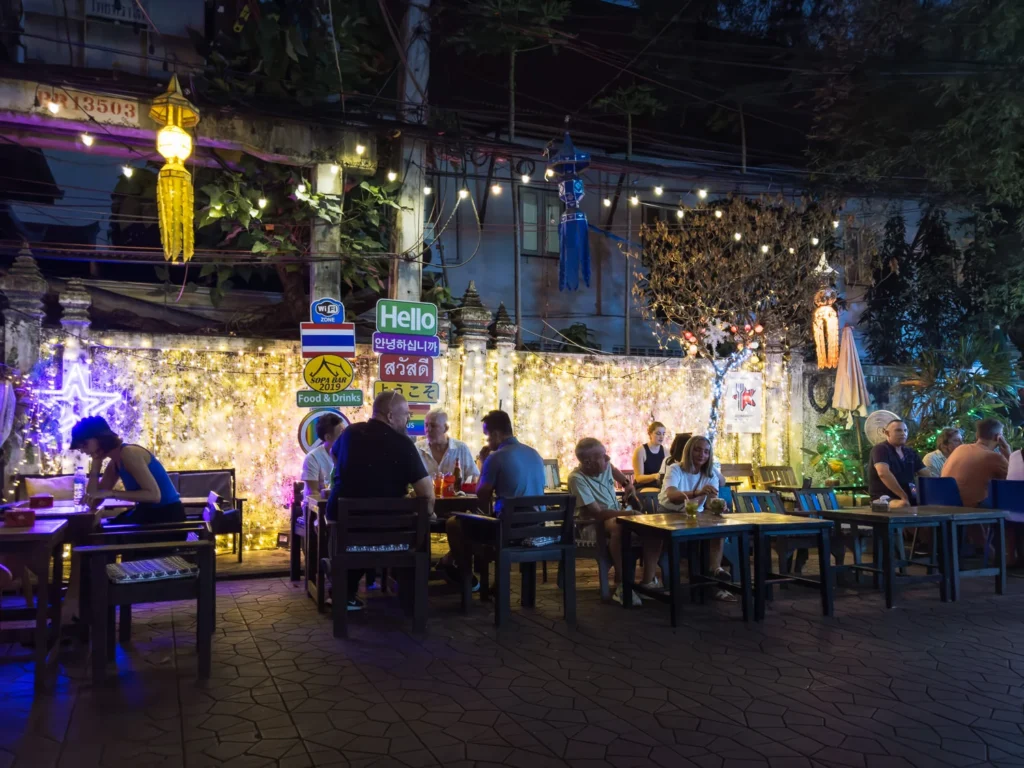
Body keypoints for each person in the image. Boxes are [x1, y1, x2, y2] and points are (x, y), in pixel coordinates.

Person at [326, 391, 435, 611]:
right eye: (406, 414)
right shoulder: (403, 444)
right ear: (390, 415)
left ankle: (344, 592)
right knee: (422, 526)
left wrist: (345, 475)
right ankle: (412, 595)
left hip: (347, 530)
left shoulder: (349, 434)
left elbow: (333, 453)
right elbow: (427, 493)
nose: (408, 419)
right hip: (392, 536)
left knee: (353, 533)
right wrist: (430, 513)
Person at [443, 410, 545, 589]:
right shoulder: (534, 453)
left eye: (488, 437)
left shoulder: (496, 457)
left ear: (497, 434)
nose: (488, 442)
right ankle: (458, 565)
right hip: (536, 528)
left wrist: (483, 462)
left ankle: (467, 577)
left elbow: (482, 496)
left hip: (507, 531)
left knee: (454, 524)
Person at [569, 437, 655, 606]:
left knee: (652, 527)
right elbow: (598, 514)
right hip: (591, 524)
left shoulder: (606, 467)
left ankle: (648, 581)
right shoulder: (576, 478)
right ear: (587, 462)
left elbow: (618, 473)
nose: (608, 459)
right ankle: (624, 585)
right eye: (603, 456)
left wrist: (627, 485)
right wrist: (628, 514)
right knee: (618, 526)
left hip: (617, 516)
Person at [658, 435, 735, 601]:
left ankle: (715, 570)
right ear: (688, 451)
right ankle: (679, 586)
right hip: (669, 514)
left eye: (706, 452)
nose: (702, 455)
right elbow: (671, 495)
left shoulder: (710, 474)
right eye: (698, 450)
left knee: (718, 527)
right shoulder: (675, 469)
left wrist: (718, 506)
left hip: (695, 516)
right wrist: (697, 493)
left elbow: (711, 501)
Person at [70, 416, 184, 525]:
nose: (83, 451)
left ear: (100, 438)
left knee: (102, 535)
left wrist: (112, 493)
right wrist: (96, 464)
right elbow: (93, 501)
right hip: (150, 516)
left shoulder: (128, 453)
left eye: (85, 444)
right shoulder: (114, 463)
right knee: (101, 530)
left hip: (167, 518)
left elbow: (154, 496)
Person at [941, 417, 1010, 507]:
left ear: (977, 435)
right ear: (998, 437)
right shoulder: (994, 457)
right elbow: (1016, 481)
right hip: (971, 508)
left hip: (946, 505)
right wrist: (1009, 455)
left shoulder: (960, 449)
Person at [868, 419, 930, 507]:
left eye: (905, 430)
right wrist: (903, 496)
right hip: (883, 498)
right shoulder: (880, 449)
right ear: (887, 433)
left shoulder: (910, 452)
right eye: (898, 430)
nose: (903, 433)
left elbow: (926, 473)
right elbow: (883, 473)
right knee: (903, 504)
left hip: (909, 497)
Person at [416, 409, 480, 482]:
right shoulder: (417, 448)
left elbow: (474, 477)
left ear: (446, 428)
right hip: (424, 493)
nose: (428, 429)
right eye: (426, 425)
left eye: (433, 426)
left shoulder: (461, 448)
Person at [301, 413, 345, 503]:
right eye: (341, 434)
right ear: (328, 437)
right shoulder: (313, 458)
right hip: (316, 510)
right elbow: (313, 493)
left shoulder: (347, 454)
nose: (345, 437)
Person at [632, 422, 667, 489]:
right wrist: (654, 476)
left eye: (663, 434)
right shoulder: (640, 451)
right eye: (658, 433)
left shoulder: (666, 451)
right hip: (642, 487)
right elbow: (638, 478)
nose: (661, 437)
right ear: (650, 434)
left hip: (659, 487)